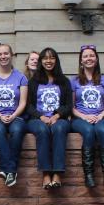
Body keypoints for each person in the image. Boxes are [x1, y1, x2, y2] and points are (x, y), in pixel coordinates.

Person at [0, 42, 29, 188]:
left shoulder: (21, 77)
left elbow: (22, 102)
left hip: (16, 116)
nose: (3, 56)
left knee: (17, 130)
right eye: (0, 54)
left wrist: (14, 115)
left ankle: (6, 170)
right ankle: (11, 170)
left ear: (12, 55)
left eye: (6, 53)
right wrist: (0, 116)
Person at [25, 46, 72, 189]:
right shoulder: (34, 81)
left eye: (52, 57)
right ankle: (46, 173)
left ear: (56, 60)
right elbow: (28, 105)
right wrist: (41, 117)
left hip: (59, 119)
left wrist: (57, 115)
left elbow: (69, 105)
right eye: (45, 58)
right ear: (41, 61)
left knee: (59, 129)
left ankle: (57, 173)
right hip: (37, 120)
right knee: (42, 130)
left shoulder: (64, 81)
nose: (48, 61)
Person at [70, 44, 104, 189]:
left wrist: (100, 115)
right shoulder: (74, 81)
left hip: (100, 117)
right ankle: (88, 175)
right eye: (85, 56)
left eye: (91, 55)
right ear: (81, 61)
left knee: (102, 131)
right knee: (88, 131)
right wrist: (84, 117)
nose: (89, 58)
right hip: (79, 119)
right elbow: (71, 107)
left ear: (96, 59)